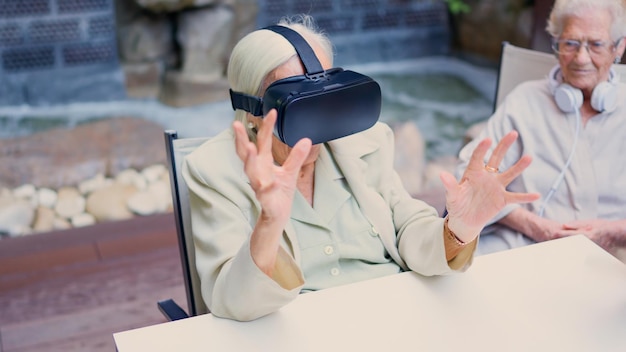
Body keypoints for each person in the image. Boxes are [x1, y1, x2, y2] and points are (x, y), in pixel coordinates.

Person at [182, 15, 538, 321]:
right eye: (298, 103)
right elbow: (229, 301)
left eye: (326, 97)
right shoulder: (213, 171)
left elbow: (408, 229)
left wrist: (460, 227)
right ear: (252, 113)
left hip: (395, 314)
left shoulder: (367, 143)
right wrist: (270, 223)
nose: (317, 120)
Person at [455, 0, 626, 256]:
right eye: (570, 43)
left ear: (619, 47)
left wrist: (612, 232)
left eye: (596, 44)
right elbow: (469, 177)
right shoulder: (525, 100)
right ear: (555, 44)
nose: (581, 58)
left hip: (610, 255)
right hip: (523, 245)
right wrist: (536, 227)